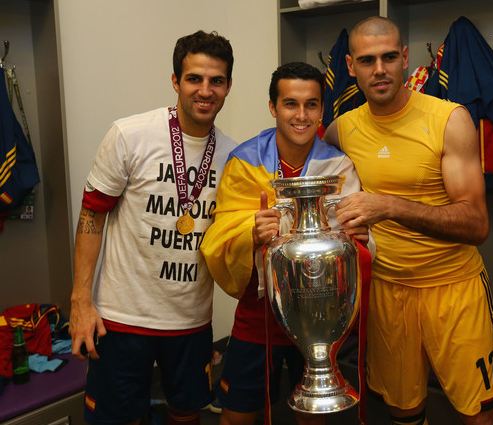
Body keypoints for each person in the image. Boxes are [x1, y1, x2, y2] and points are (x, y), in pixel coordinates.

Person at [324, 17, 493, 425]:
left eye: (389, 57)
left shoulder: (448, 118)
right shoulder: (342, 130)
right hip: (388, 292)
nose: (380, 69)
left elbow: (476, 224)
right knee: (403, 410)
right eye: (367, 60)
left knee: (478, 413)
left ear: (405, 58)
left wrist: (390, 206)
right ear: (350, 66)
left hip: (454, 289)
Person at [69, 30, 236, 425]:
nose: (205, 90)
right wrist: (80, 302)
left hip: (191, 320)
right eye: (194, 78)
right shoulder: (130, 135)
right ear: (175, 81)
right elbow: (92, 215)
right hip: (123, 318)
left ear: (228, 86)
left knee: (187, 414)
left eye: (216, 80)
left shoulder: (233, 155)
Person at [200, 62, 372, 425]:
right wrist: (251, 230)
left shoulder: (337, 167)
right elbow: (218, 233)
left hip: (319, 313)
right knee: (236, 416)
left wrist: (360, 234)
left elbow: (356, 240)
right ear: (273, 107)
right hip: (259, 310)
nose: (301, 115)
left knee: (311, 413)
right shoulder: (245, 161)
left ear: (322, 110)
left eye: (311, 105)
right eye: (291, 104)